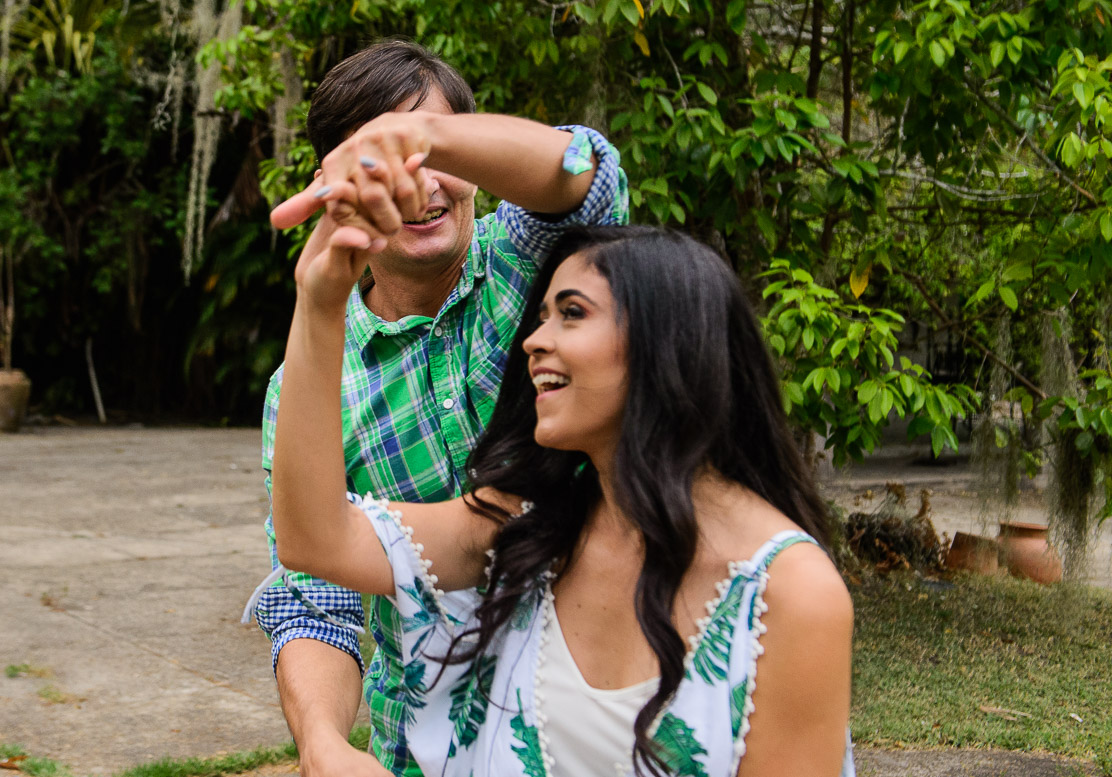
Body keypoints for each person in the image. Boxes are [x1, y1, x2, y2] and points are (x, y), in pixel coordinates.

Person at [267, 223, 856, 776]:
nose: (533, 340)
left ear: (668, 341)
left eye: (572, 314)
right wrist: (319, 302)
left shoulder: (789, 590)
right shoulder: (531, 526)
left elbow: (578, 169)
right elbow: (314, 539)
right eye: (541, 316)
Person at [250, 40, 628, 777]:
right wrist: (323, 742)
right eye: (384, 169)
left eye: (435, 154)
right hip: (428, 750)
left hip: (604, 727)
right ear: (330, 186)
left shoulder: (538, 265)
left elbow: (584, 172)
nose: (420, 185)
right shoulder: (308, 384)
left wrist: (422, 137)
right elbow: (312, 596)